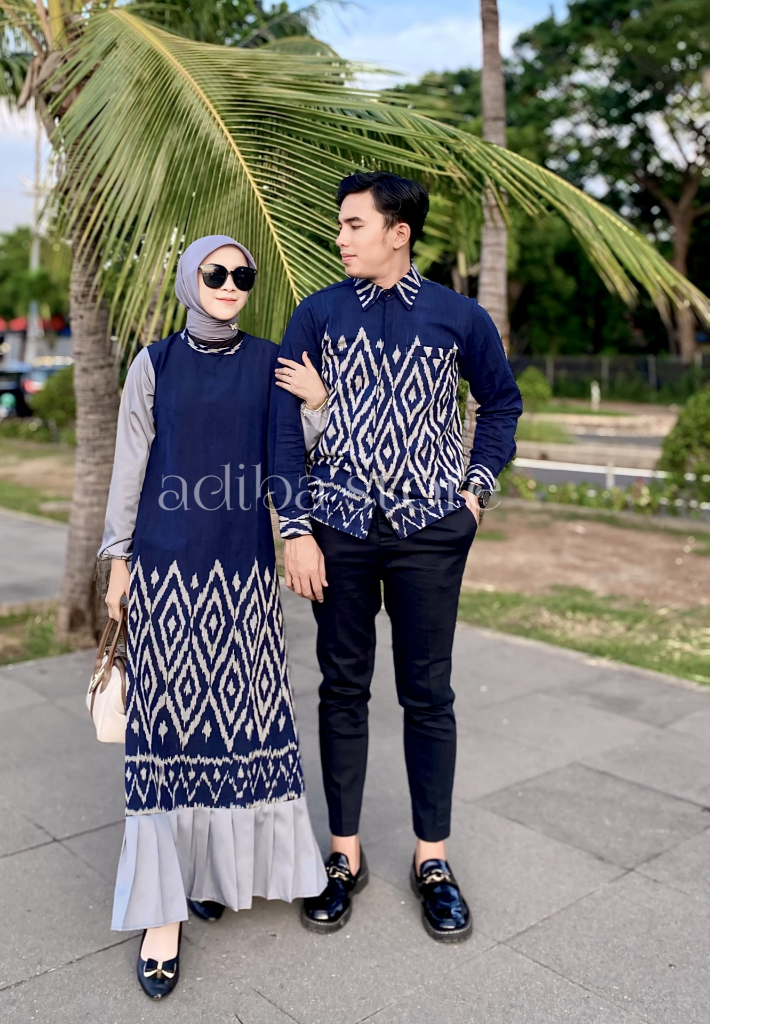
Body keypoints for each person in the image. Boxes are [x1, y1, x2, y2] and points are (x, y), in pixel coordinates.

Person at [270, 172, 522, 941]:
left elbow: (500, 404)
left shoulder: (459, 317)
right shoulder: (318, 314)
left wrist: (474, 494)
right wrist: (295, 530)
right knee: (342, 690)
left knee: (428, 694)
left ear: (398, 231)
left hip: (429, 532)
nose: (340, 237)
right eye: (340, 224)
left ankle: (431, 861)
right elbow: (283, 427)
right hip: (338, 533)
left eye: (354, 224)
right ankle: (343, 855)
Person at [98, 235, 327, 1000]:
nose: (231, 283)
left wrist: (317, 406)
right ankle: (162, 918)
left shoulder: (269, 362)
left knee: (237, 727)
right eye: (215, 272)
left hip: (241, 577)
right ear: (187, 280)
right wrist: (119, 561)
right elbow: (130, 464)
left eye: (242, 274)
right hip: (166, 575)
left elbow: (291, 454)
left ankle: (215, 876)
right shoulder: (154, 363)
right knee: (166, 737)